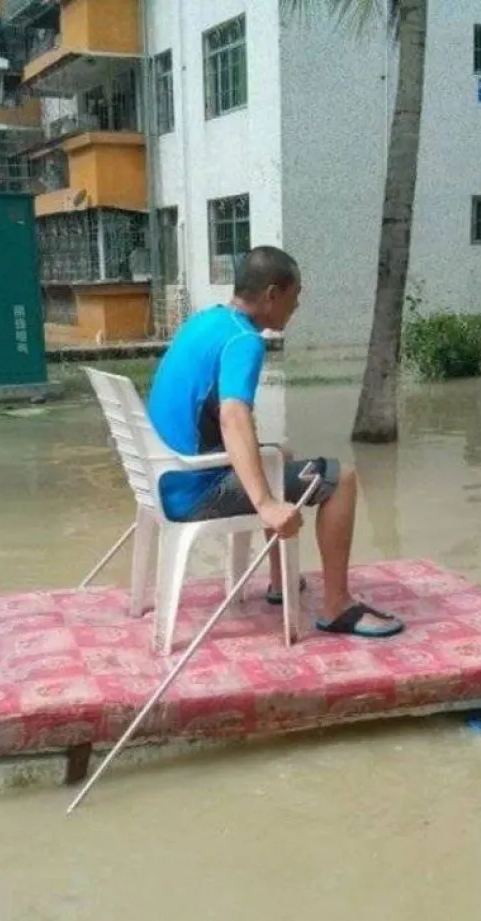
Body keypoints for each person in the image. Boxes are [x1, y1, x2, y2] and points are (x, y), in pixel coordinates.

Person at [147, 246, 403, 638]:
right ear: (271, 294)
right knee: (342, 478)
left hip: (162, 476)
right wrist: (265, 505)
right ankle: (338, 607)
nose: (295, 307)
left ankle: (280, 584)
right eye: (294, 296)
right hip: (193, 493)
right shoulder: (243, 341)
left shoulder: (207, 321)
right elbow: (234, 418)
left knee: (278, 456)